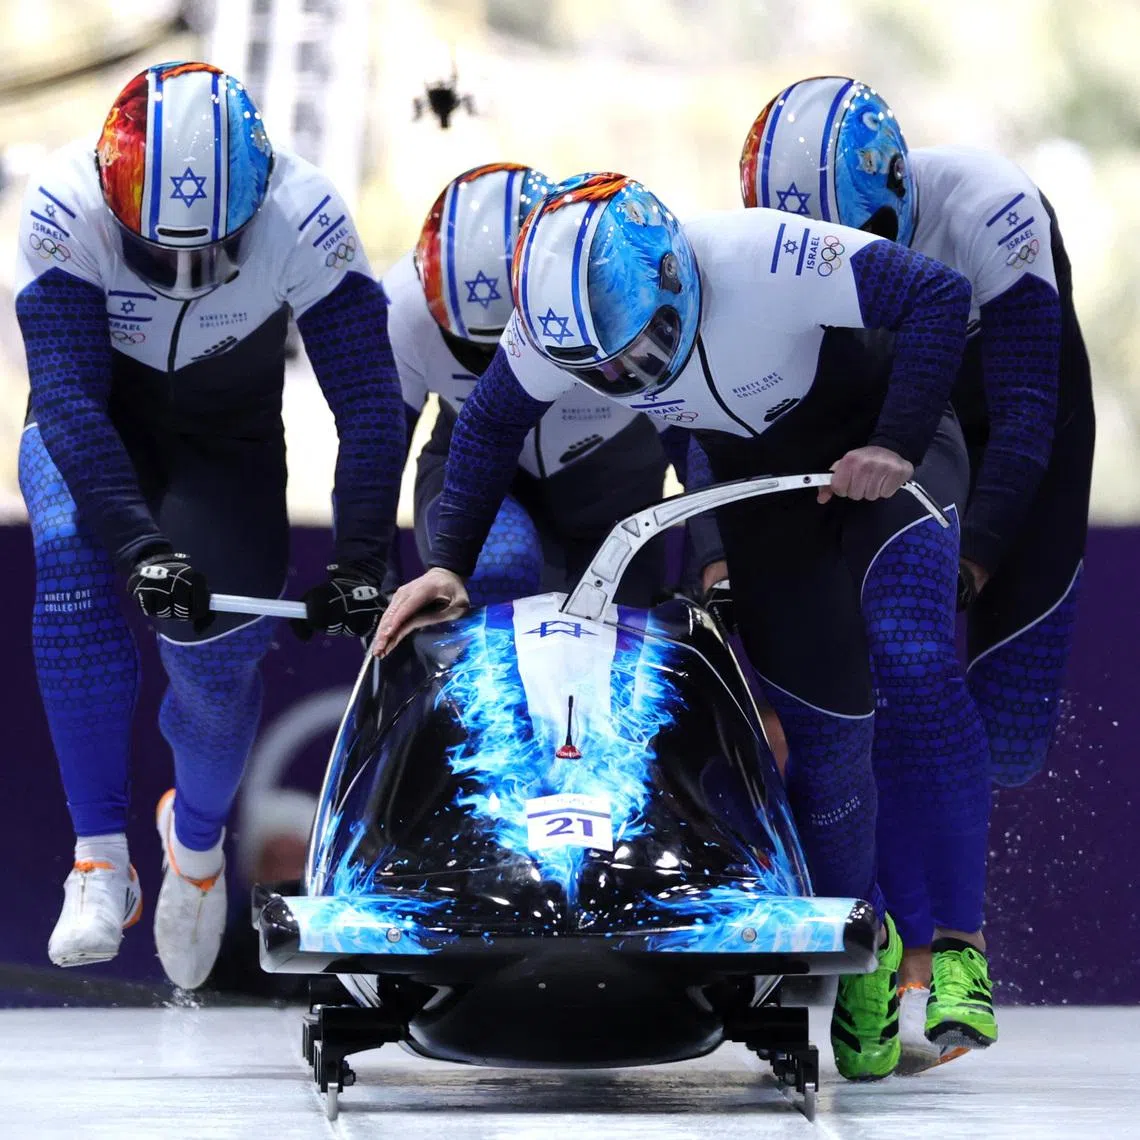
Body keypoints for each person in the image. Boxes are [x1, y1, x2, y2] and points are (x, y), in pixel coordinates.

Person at [373, 171, 982, 1081]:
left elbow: (938, 296)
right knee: (826, 738)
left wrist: (893, 438)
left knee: (910, 653)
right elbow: (490, 427)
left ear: (675, 279)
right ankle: (870, 944)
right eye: (604, 371)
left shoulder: (762, 253)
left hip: (884, 452)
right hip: (769, 493)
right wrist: (446, 563)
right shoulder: (556, 331)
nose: (630, 377)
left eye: (643, 346)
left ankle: (963, 941)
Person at [16, 62, 403, 989]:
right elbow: (69, 403)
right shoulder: (65, 204)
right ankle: (99, 858)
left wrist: (360, 558)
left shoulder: (308, 214)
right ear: (115, 207)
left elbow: (373, 407)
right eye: (158, 253)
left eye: (213, 250)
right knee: (73, 567)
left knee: (214, 660)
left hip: (225, 447)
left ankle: (192, 848)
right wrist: (138, 546)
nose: (185, 274)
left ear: (257, 202)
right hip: (102, 419)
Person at [742, 75, 1091, 1071]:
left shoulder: (991, 207)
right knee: (895, 668)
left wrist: (975, 559)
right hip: (900, 425)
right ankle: (916, 953)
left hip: (1016, 425)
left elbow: (1025, 420)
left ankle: (928, 935)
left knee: (1008, 739)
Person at [384, 162, 673, 607]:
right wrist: (368, 577)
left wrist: (715, 563)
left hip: (614, 488)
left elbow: (696, 432)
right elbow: (378, 449)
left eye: (511, 339)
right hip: (481, 476)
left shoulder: (622, 293)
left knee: (613, 643)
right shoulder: (403, 306)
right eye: (472, 348)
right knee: (498, 564)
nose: (499, 366)